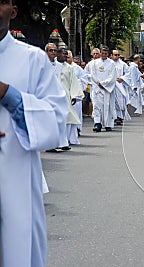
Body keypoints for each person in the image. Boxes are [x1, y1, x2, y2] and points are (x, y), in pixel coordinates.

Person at [0, 1, 68, 266]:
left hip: (14, 172)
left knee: (17, 249)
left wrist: (10, 95)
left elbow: (55, 118)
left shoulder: (33, 59)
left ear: (13, 12)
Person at [91, 46, 117, 132]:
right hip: (97, 88)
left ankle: (108, 124)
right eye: (102, 53)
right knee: (97, 106)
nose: (104, 55)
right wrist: (98, 83)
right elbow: (93, 74)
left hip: (107, 89)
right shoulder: (95, 63)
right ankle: (97, 123)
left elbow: (112, 76)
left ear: (108, 54)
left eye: (106, 53)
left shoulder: (111, 63)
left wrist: (104, 83)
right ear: (100, 53)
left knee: (108, 106)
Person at [111, 49, 130, 124]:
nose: (117, 56)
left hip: (119, 85)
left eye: (118, 55)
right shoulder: (109, 63)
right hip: (110, 85)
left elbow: (128, 74)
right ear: (111, 55)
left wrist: (122, 78)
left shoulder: (123, 64)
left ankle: (120, 116)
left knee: (120, 101)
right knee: (112, 101)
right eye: (115, 55)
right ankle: (113, 117)